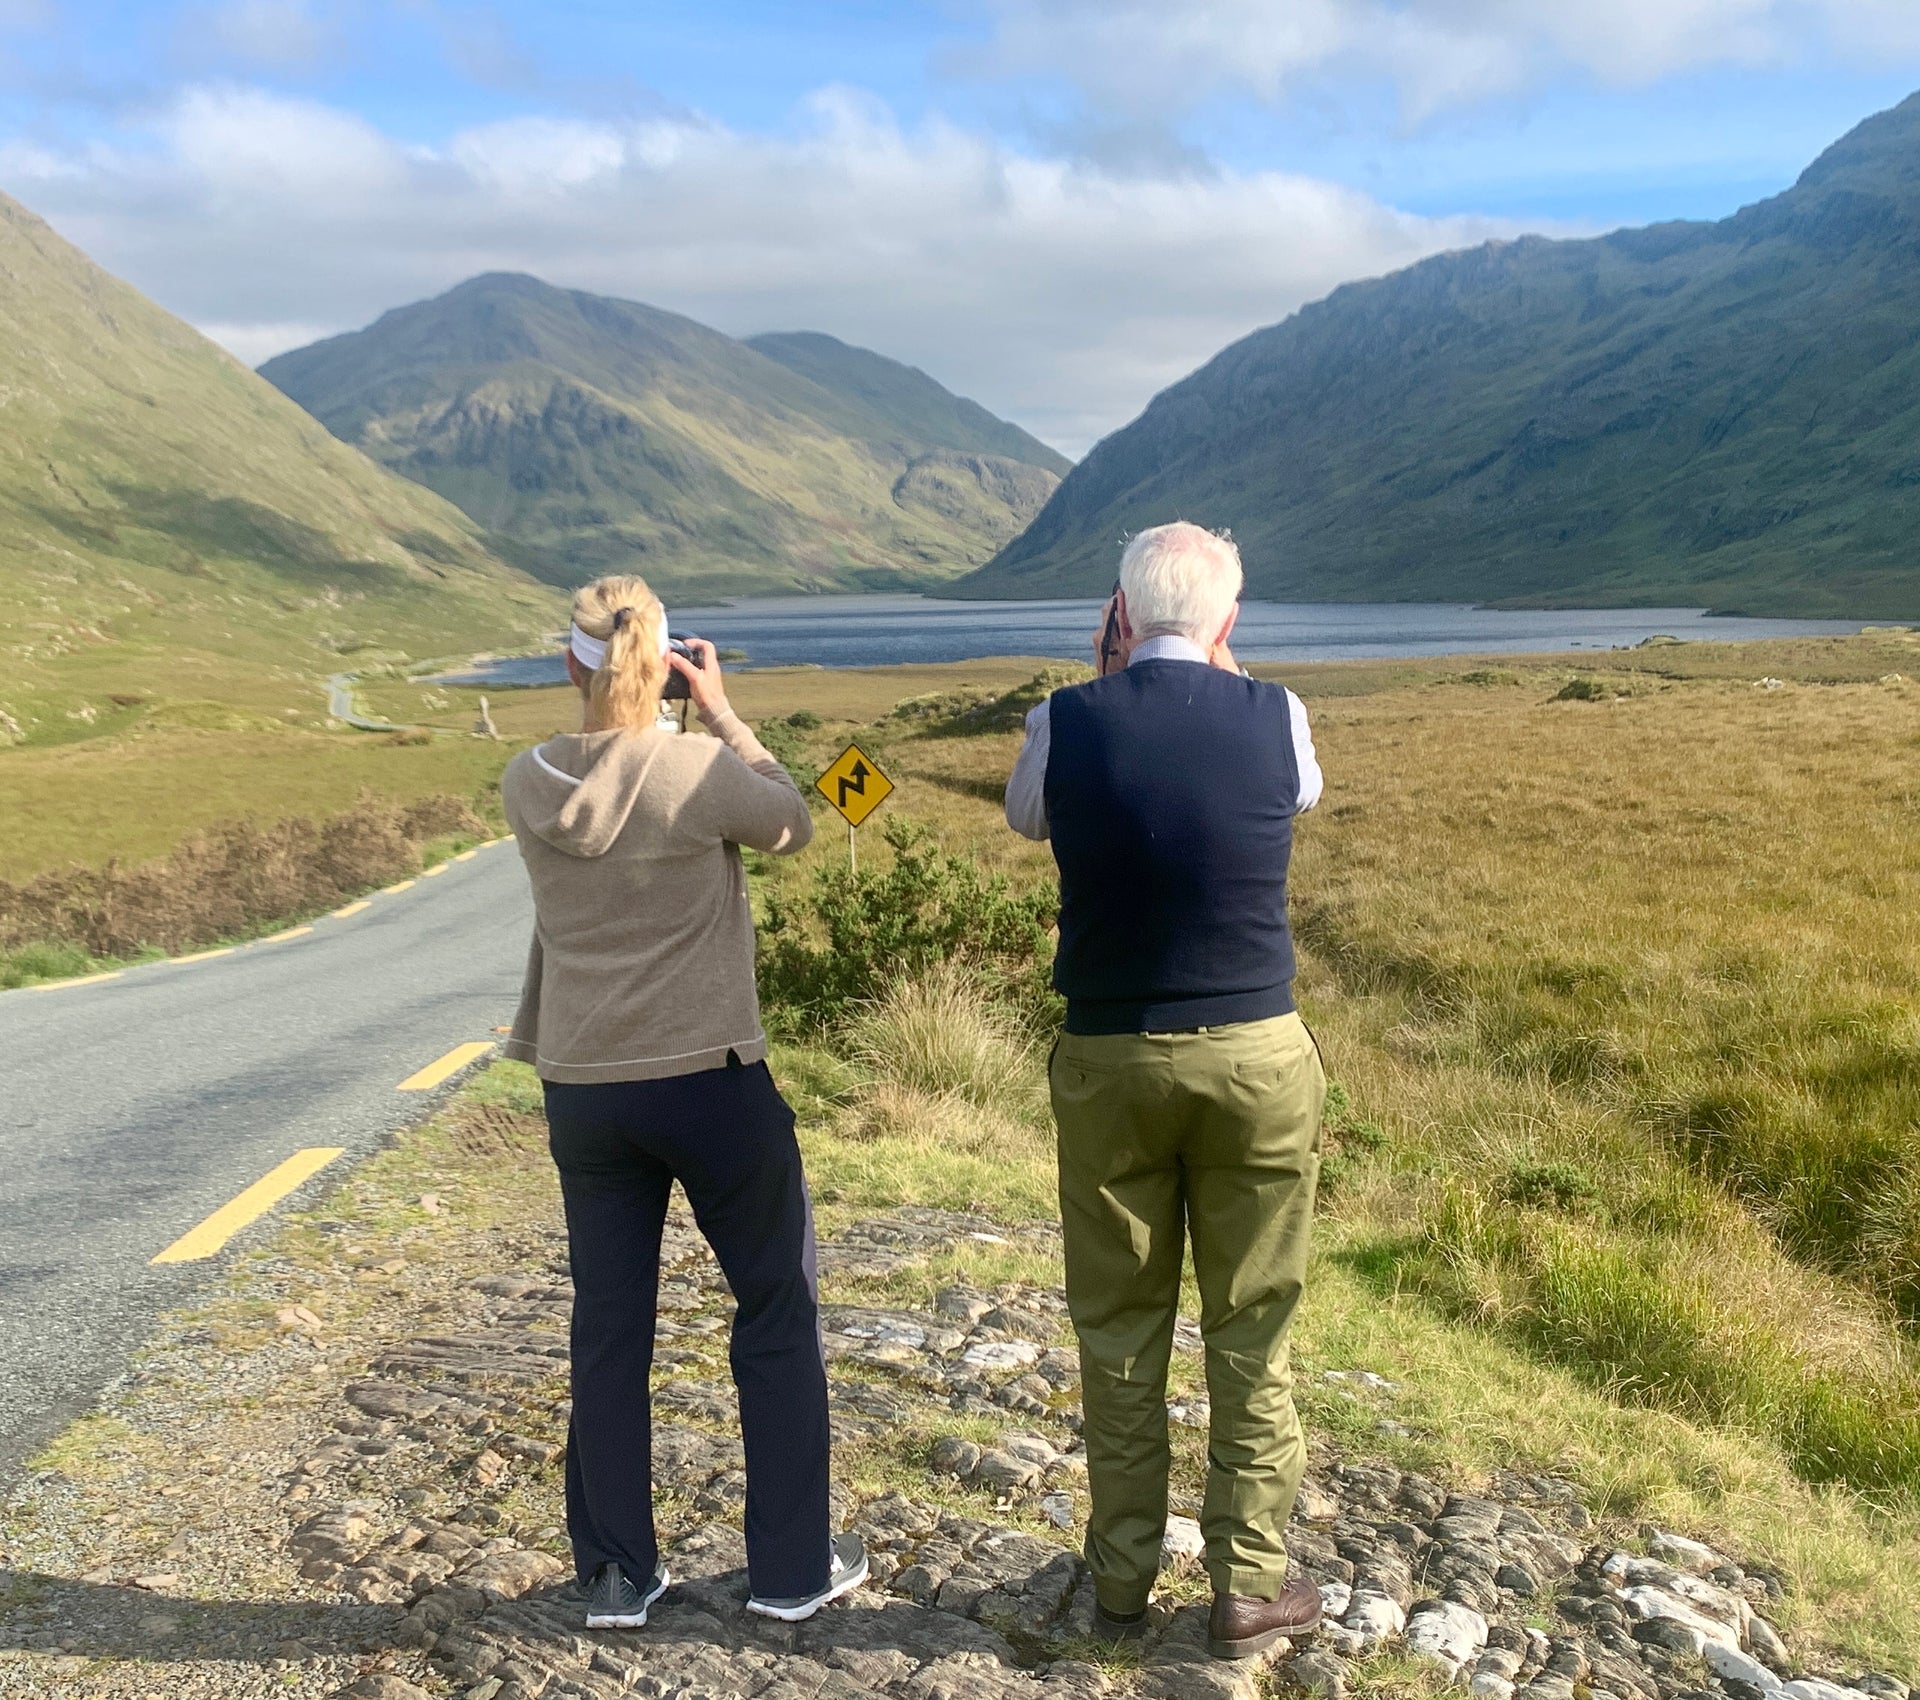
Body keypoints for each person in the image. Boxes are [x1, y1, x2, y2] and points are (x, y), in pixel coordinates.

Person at [501, 574, 868, 1630]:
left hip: (585, 1092)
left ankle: (616, 1572)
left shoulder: (526, 782)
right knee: (775, 1308)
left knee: (609, 1327)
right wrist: (720, 711)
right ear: (662, 662)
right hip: (712, 1082)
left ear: (571, 662)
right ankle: (793, 1565)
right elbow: (795, 821)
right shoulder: (700, 768)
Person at [1005, 523, 1327, 1661]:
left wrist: (1104, 684)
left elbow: (1025, 813)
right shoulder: (1278, 716)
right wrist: (1220, 668)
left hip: (1111, 1055)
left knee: (1121, 1328)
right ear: (1231, 620)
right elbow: (1295, 794)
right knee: (1253, 1322)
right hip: (1257, 1053)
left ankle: (1123, 1583)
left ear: (1119, 616)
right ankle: (1247, 1584)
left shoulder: (1063, 719)